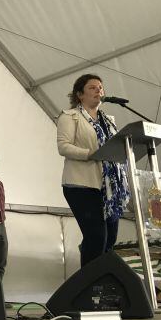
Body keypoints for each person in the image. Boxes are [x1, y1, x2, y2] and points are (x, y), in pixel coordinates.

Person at [57, 74, 129, 267]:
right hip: (80, 184)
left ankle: (100, 277)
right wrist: (91, 154)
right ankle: (90, 286)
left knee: (110, 239)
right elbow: (63, 147)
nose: (99, 90)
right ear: (79, 94)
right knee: (97, 236)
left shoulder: (110, 121)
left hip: (108, 188)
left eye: (100, 87)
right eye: (92, 87)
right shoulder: (69, 116)